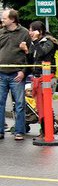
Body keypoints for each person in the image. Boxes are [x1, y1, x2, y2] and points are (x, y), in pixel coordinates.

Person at [20, 20, 58, 138]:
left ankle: (49, 128)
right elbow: (31, 61)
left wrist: (35, 42)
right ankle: (44, 129)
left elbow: (42, 53)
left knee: (46, 105)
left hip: (47, 78)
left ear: (40, 31)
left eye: (32, 30)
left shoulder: (48, 42)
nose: (30, 32)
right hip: (37, 77)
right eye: (29, 30)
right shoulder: (35, 43)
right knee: (40, 106)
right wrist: (26, 51)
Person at [0, 9, 30, 140]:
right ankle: (0, 131)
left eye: (4, 18)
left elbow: (30, 55)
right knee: (0, 103)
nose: (2, 20)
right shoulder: (1, 32)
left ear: (12, 19)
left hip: (17, 75)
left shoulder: (24, 33)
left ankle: (19, 131)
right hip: (1, 73)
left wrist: (23, 71)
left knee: (19, 104)